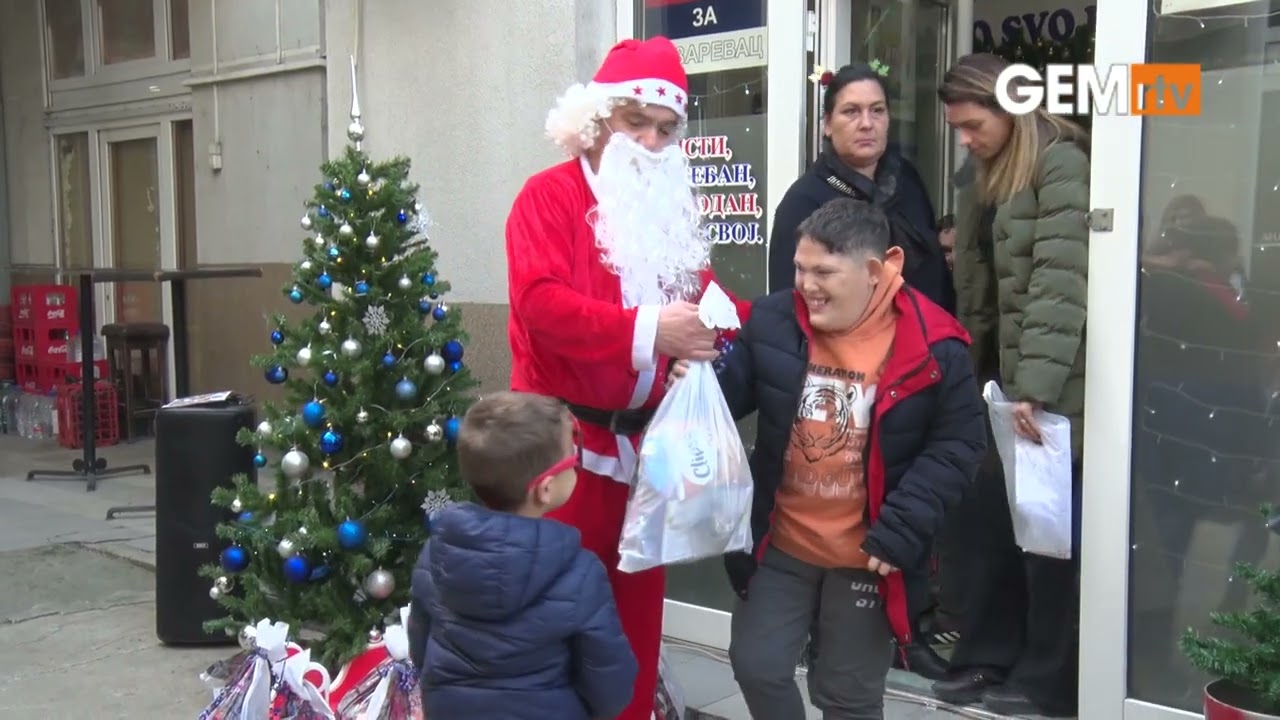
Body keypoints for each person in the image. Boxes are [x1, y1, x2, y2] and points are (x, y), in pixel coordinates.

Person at [504, 36, 751, 719]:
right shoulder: (547, 197)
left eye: (665, 130)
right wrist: (652, 332)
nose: (649, 140)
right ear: (596, 119)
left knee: (636, 631)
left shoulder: (663, 215)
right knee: (555, 622)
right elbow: (541, 305)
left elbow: (707, 303)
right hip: (562, 455)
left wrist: (777, 315)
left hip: (646, 458)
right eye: (634, 122)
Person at [673, 198, 986, 719]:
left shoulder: (935, 344)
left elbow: (958, 446)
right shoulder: (773, 320)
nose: (806, 285)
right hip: (782, 542)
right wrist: (697, 381)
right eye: (799, 268)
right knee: (757, 663)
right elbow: (730, 398)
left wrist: (903, 527)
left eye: (823, 272)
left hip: (869, 554)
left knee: (848, 695)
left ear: (875, 269)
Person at [930, 52, 1090, 717]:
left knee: (1049, 542)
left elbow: (1060, 280)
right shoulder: (986, 175)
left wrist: (1036, 389)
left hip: (1043, 392)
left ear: (1009, 109)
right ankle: (988, 658)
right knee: (992, 529)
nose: (964, 140)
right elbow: (979, 286)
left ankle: (1048, 681)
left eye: (972, 125)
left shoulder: (1060, 163)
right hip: (997, 385)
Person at [407, 391, 638, 719]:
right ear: (545, 489)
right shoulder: (581, 573)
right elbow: (610, 683)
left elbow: (420, 643)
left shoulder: (436, 554)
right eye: (574, 459)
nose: (577, 466)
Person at [768, 63, 954, 315]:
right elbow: (788, 311)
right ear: (828, 124)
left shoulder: (907, 181)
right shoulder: (804, 201)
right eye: (851, 111)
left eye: (877, 110)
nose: (866, 123)